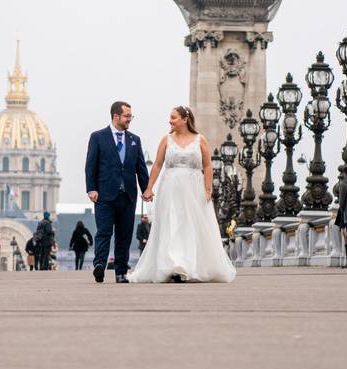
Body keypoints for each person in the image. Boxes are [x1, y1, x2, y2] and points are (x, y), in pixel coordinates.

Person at [128, 106, 236, 283]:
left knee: (191, 225)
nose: (170, 121)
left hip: (194, 187)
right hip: (170, 186)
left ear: (185, 119)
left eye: (173, 117)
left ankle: (189, 265)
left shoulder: (200, 140)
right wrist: (149, 188)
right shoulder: (166, 140)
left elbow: (208, 166)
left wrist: (208, 188)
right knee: (172, 224)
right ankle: (173, 265)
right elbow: (157, 165)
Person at [84, 101, 150, 283]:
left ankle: (121, 272)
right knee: (104, 232)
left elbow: (141, 168)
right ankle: (99, 265)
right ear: (116, 116)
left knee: (124, 234)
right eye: (127, 116)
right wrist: (91, 189)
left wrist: (147, 190)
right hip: (104, 195)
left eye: (131, 116)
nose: (130, 119)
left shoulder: (135, 140)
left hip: (128, 196)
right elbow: (91, 166)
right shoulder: (98, 137)